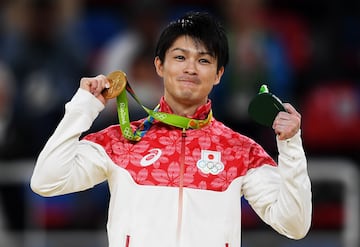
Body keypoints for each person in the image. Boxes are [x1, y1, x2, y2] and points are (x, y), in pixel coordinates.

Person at [31, 11, 312, 247]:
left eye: (203, 60)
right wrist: (83, 107)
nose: (190, 68)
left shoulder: (240, 151)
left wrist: (290, 145)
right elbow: (46, 180)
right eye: (180, 57)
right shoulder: (122, 140)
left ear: (218, 74)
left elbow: (295, 224)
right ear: (159, 66)